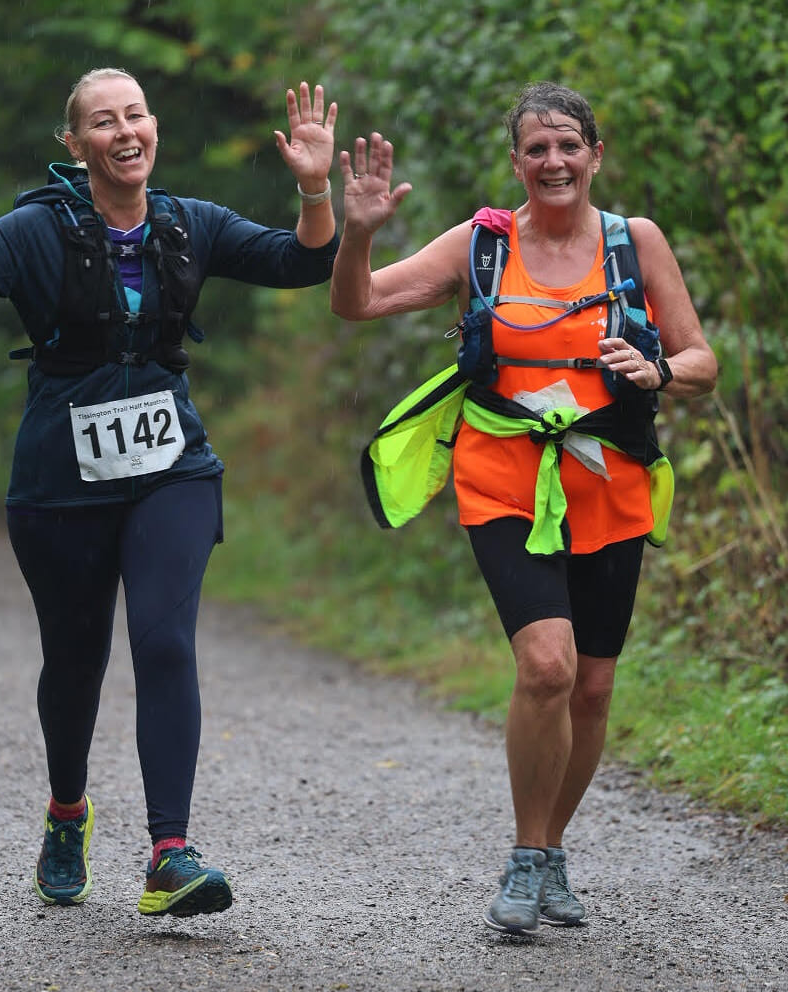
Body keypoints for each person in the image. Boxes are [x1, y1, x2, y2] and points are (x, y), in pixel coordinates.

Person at [0, 68, 339, 917]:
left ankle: (169, 852)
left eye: (136, 116)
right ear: (74, 144)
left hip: (172, 469)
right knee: (77, 659)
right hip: (62, 480)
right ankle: (66, 811)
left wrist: (314, 189)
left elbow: (305, 259)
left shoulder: (190, 223)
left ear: (154, 127)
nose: (125, 132)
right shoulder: (33, 233)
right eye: (102, 122)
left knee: (164, 641)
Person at [330, 82, 716, 936]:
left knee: (594, 688)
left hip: (609, 483)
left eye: (569, 146)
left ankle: (551, 854)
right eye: (537, 149)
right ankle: (526, 855)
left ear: (595, 155)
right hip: (503, 475)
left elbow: (702, 359)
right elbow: (355, 303)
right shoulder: (483, 244)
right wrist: (356, 232)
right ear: (516, 162)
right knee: (549, 666)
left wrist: (660, 372)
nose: (554, 162)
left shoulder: (633, 244)